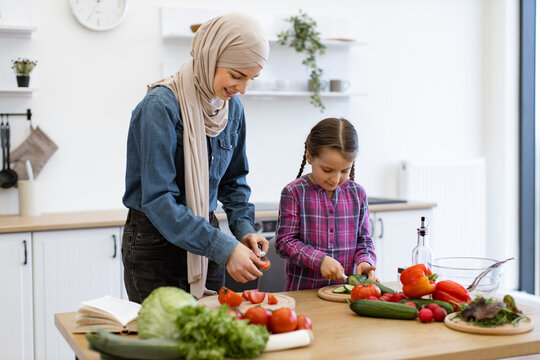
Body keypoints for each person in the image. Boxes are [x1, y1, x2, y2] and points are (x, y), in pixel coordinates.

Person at [121, 13, 271, 303]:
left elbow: (234, 182)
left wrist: (244, 230)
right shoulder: (160, 107)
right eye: (237, 76)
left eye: (251, 78)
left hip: (206, 240)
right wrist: (223, 247)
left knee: (206, 337)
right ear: (210, 57)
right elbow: (158, 199)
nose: (242, 89)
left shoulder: (231, 109)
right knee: (162, 343)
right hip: (155, 245)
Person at [275, 117, 377, 291]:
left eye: (345, 170)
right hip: (304, 294)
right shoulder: (293, 192)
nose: (336, 179)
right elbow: (284, 242)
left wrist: (365, 261)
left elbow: (364, 240)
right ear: (309, 156)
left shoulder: (357, 193)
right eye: (327, 170)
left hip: (346, 295)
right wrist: (319, 260)